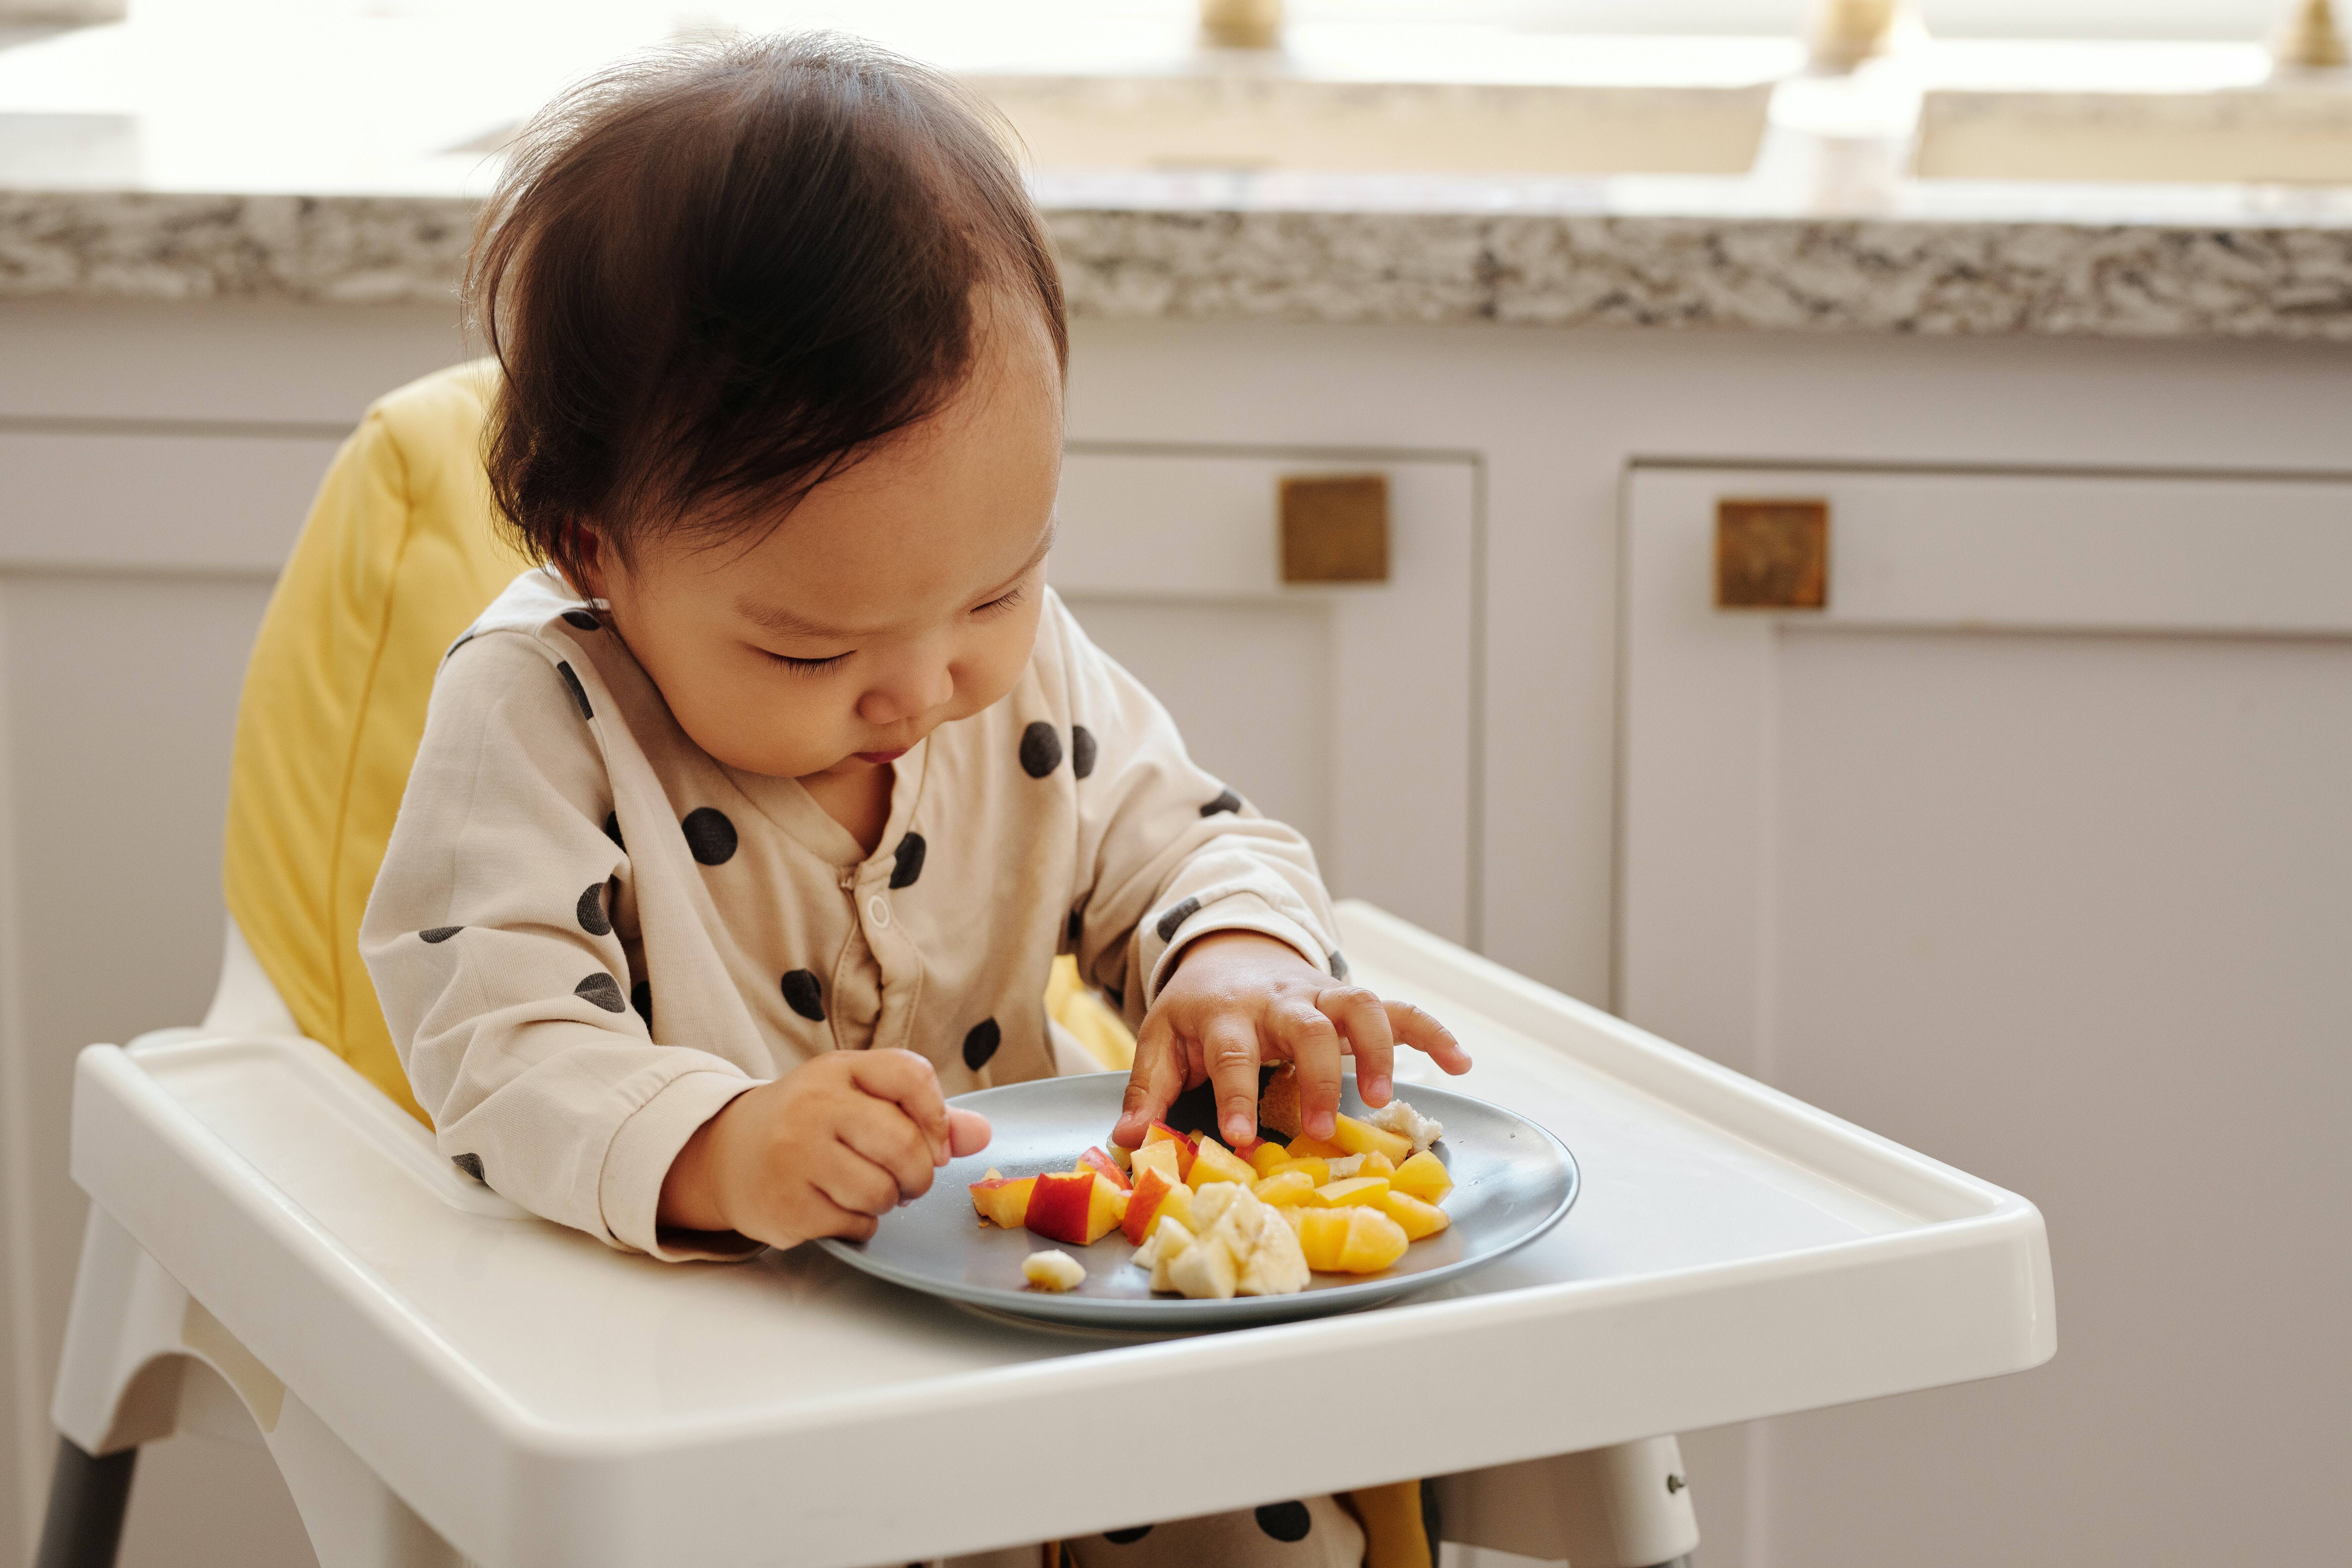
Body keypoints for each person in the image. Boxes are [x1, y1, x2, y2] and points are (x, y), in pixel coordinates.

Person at [360, 33, 1467, 1567]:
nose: (925, 688)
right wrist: (722, 1147)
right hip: (735, 1382)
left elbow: (1178, 839)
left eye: (998, 590)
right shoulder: (537, 713)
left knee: (1265, 1513)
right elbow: (494, 1038)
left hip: (1050, 1325)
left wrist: (1237, 963)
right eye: (812, 646)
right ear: (594, 550)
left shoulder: (1011, 666)